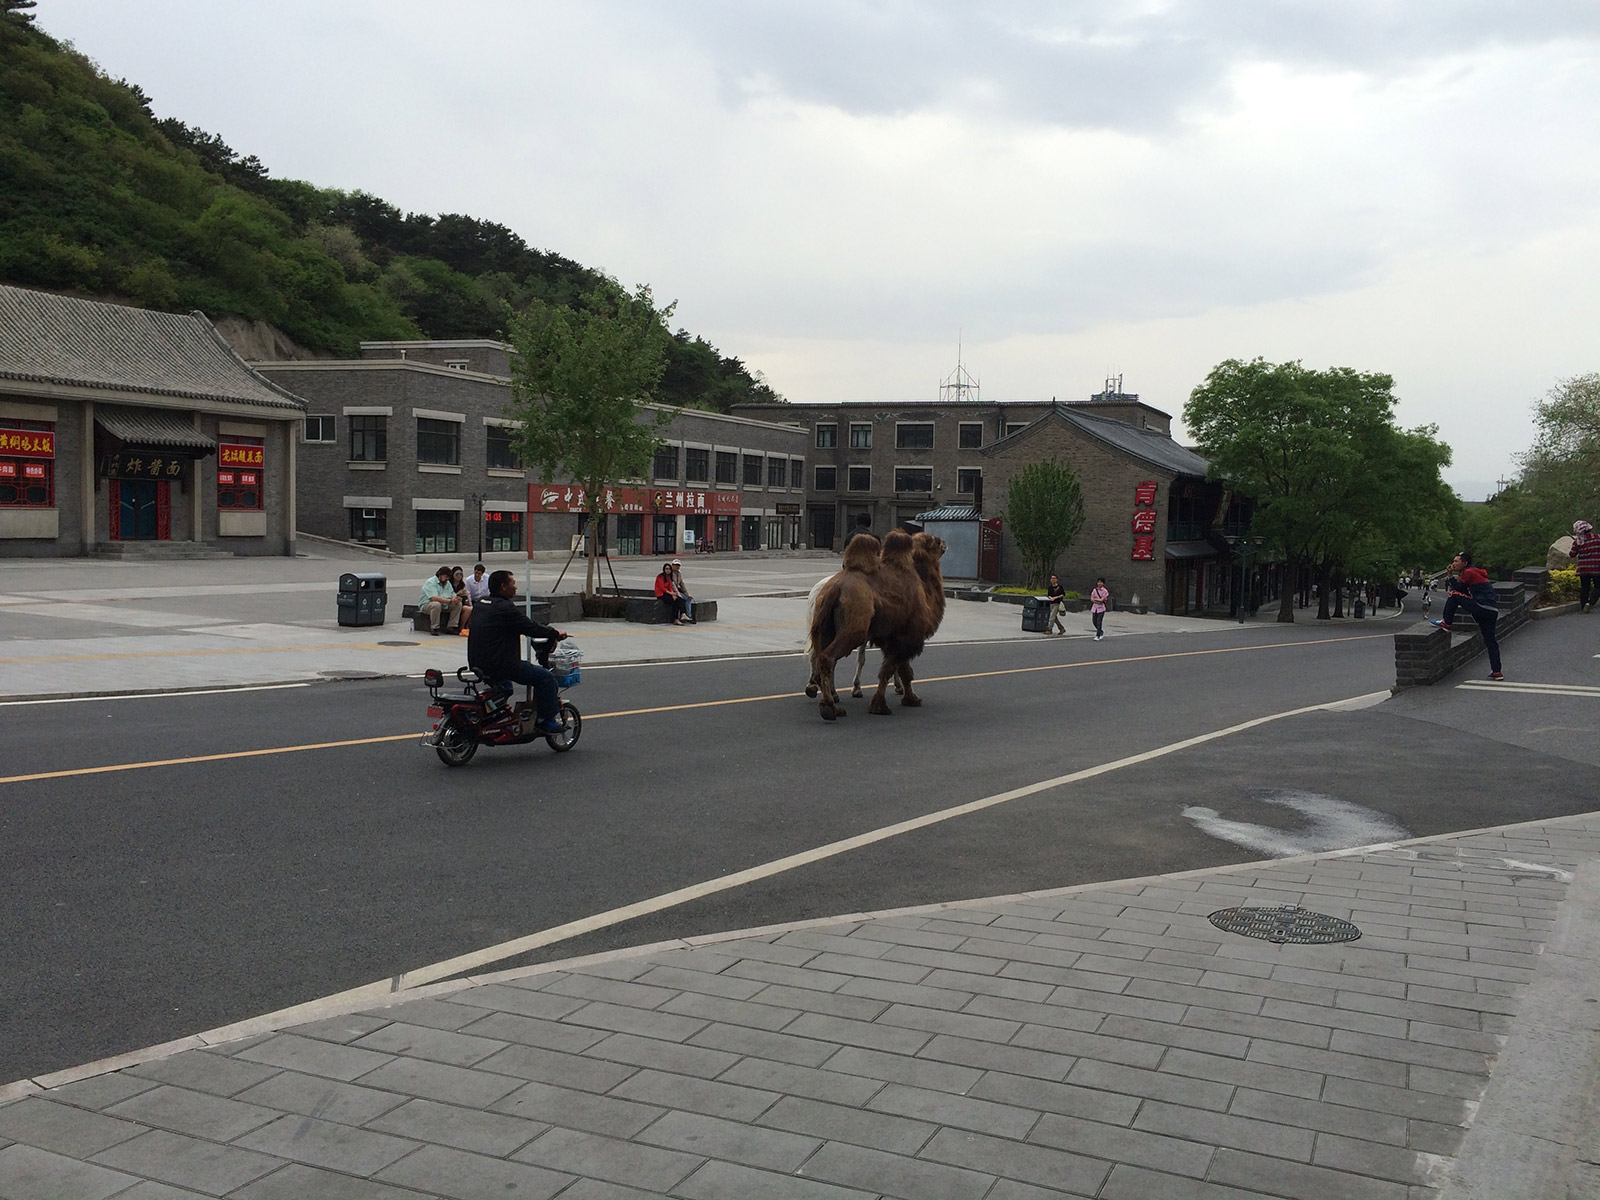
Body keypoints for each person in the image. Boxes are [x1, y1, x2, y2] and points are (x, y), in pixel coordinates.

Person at [467, 569, 568, 732]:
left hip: (478, 662)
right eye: (513, 583)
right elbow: (530, 627)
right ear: (503, 586)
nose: (515, 587)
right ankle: (545, 720)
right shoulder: (505, 608)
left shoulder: (480, 604)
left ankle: (488, 717)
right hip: (502, 664)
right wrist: (555, 633)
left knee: (505, 689)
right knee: (546, 678)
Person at [1431, 551, 1503, 680]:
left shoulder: (1468, 572)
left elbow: (1458, 589)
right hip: (1492, 611)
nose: (1453, 563)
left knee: (1454, 595)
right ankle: (1497, 671)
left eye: (1456, 561)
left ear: (1464, 563)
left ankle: (1447, 622)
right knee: (1491, 641)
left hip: (1482, 607)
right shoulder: (1475, 572)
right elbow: (1464, 590)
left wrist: (1450, 575)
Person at [417, 566, 462, 635]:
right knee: (436, 604)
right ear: (440, 575)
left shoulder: (447, 583)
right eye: (446, 577)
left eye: (448, 577)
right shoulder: (431, 582)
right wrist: (449, 601)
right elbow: (434, 598)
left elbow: (452, 594)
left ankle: (452, 626)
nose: (447, 579)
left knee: (458, 604)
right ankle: (434, 628)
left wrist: (456, 598)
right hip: (427, 604)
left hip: (444, 604)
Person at [1571, 520, 1600, 612]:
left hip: (1583, 569)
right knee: (1598, 586)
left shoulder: (1578, 542)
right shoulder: (1598, 538)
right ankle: (1590, 603)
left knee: (1584, 588)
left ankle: (1583, 606)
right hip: (1596, 568)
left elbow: (1572, 554)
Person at [449, 566, 472, 634]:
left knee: (471, 608)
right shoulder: (449, 584)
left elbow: (467, 598)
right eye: (457, 574)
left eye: (461, 574)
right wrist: (457, 594)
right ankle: (461, 627)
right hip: (454, 603)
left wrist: (466, 596)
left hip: (463, 602)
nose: (459, 576)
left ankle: (467, 626)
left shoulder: (462, 584)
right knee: (468, 609)